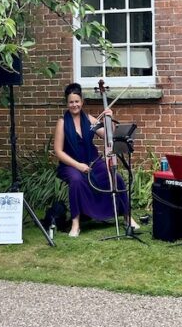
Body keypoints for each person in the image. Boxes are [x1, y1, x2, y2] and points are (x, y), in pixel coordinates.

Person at [53, 82, 137, 238]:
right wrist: (78, 166)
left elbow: (107, 135)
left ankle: (127, 217)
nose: (74, 105)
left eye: (77, 101)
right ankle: (76, 223)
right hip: (70, 164)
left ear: (82, 101)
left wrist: (109, 118)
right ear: (67, 103)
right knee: (77, 181)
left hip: (92, 161)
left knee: (116, 178)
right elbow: (58, 151)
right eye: (71, 102)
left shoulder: (89, 119)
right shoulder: (62, 123)